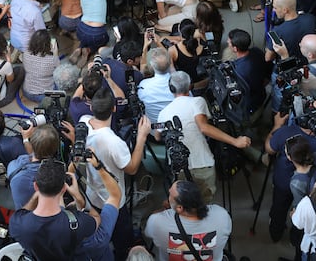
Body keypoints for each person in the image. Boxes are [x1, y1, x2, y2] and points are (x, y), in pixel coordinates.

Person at [159, 71, 251, 201]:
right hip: (201, 163)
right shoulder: (197, 102)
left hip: (177, 166)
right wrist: (235, 141)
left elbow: (158, 136)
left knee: (185, 203)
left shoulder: (163, 113)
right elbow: (204, 127)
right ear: (190, 86)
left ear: (171, 88)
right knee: (205, 201)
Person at [84, 87, 150, 260]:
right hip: (114, 199)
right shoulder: (114, 143)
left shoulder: (83, 123)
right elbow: (132, 168)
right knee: (122, 240)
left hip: (91, 195)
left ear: (91, 107)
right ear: (114, 108)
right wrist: (142, 137)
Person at [9, 158, 97, 260]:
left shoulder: (18, 224)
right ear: (64, 188)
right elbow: (95, 218)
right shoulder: (78, 224)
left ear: (36, 186)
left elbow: (23, 212)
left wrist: (35, 196)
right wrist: (78, 196)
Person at [144, 180, 232, 261]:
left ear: (179, 208)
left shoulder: (156, 221)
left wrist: (164, 210)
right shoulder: (222, 216)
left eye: (170, 194)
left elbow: (148, 232)